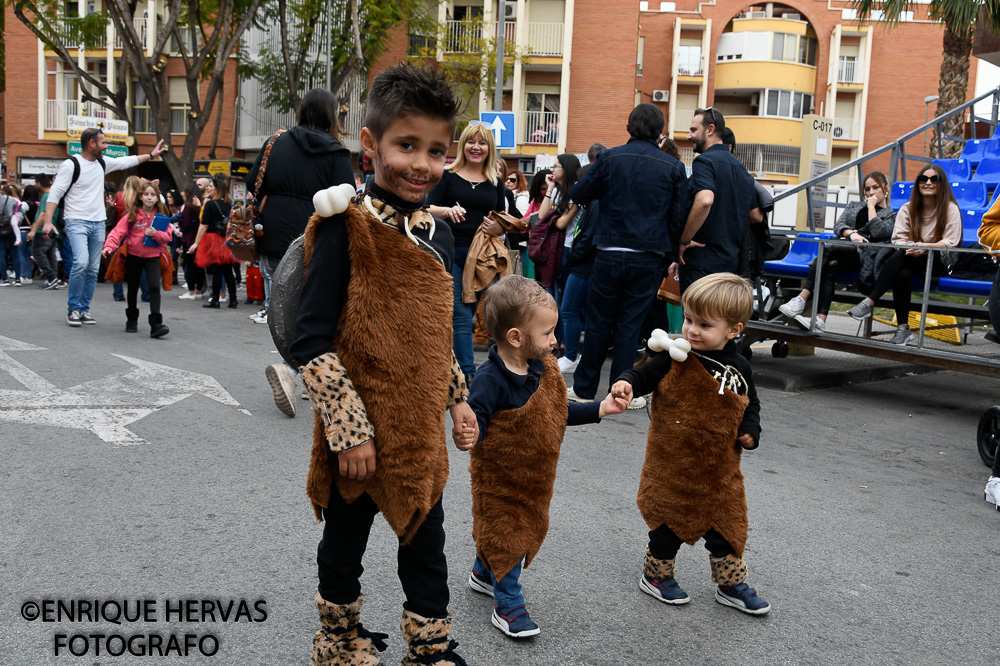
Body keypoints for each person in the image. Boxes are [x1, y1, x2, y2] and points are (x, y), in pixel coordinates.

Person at [290, 62, 473, 665]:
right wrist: (348, 430)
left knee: (427, 541)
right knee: (345, 540)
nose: (422, 164)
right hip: (358, 432)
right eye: (407, 145)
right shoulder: (345, 228)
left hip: (418, 433)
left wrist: (458, 399)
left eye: (437, 150)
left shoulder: (439, 236)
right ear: (370, 144)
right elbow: (308, 338)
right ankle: (337, 639)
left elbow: (435, 335)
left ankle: (430, 649)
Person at [462, 275, 625, 639]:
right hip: (500, 480)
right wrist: (470, 432)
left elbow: (558, 410)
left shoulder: (543, 367)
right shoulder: (490, 378)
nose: (556, 341)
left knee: (524, 528)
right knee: (508, 534)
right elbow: (478, 423)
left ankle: (482, 572)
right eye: (548, 333)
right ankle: (508, 604)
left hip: (536, 478)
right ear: (516, 337)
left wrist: (601, 408)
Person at [611, 273, 769, 616]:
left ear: (734, 330)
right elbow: (643, 374)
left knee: (727, 527)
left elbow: (751, 403)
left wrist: (751, 430)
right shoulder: (675, 357)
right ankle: (657, 574)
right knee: (670, 524)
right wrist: (626, 382)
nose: (691, 330)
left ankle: (730, 583)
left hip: (720, 468)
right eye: (688, 319)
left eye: (704, 324)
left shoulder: (740, 367)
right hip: (676, 465)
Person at [567, 103, 689, 410]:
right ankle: (622, 391)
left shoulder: (609, 157)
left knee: (597, 324)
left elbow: (579, 192)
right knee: (629, 327)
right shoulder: (673, 167)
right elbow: (677, 217)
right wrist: (670, 254)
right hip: (648, 255)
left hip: (608, 252)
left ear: (629, 128)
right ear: (660, 132)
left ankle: (583, 389)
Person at [36, 128, 166, 326]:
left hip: (98, 222)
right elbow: (55, 194)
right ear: (91, 143)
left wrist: (151, 155)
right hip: (76, 221)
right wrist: (47, 221)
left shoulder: (102, 163)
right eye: (103, 143)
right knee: (81, 262)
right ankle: (73, 309)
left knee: (93, 268)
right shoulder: (71, 165)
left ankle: (84, 310)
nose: (106, 146)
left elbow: (126, 161)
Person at [846, 164, 961, 345]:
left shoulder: (950, 208)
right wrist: (912, 247)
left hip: (939, 260)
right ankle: (903, 329)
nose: (928, 183)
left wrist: (924, 247)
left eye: (933, 179)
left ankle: (869, 301)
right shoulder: (908, 208)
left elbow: (951, 242)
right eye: (923, 179)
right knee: (903, 273)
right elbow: (897, 239)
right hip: (910, 257)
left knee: (902, 258)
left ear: (941, 184)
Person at [427, 122, 506, 383]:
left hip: (482, 258)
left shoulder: (495, 181)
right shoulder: (447, 175)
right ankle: (466, 374)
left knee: (473, 316)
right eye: (471, 141)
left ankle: (453, 366)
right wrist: (447, 211)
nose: (476, 147)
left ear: (488, 148)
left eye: (482, 142)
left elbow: (506, 217)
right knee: (461, 316)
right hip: (451, 252)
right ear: (463, 145)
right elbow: (426, 207)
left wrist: (498, 227)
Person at [779, 172, 897, 331]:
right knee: (831, 264)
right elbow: (838, 225)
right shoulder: (854, 206)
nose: (871, 193)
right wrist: (852, 233)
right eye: (867, 189)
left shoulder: (892, 215)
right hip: (846, 252)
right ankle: (820, 320)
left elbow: (878, 232)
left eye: (875, 188)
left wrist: (871, 207)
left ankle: (802, 297)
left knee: (828, 248)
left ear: (886, 187)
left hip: (866, 256)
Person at [671, 108, 762, 292]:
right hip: (730, 265)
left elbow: (705, 200)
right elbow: (756, 216)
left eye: (694, 130)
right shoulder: (741, 169)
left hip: (701, 263)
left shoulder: (704, 162)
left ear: (710, 130)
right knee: (717, 319)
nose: (689, 136)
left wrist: (684, 241)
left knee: (695, 319)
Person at [102, 180, 172, 337]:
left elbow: (167, 236)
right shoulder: (132, 215)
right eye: (146, 194)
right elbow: (117, 232)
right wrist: (108, 247)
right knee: (133, 288)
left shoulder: (160, 217)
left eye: (152, 195)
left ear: (157, 198)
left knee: (154, 287)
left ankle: (156, 324)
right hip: (133, 256)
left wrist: (156, 234)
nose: (149, 198)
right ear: (140, 196)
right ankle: (131, 319)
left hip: (153, 257)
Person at [188, 173, 238, 309]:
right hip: (225, 240)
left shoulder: (210, 204)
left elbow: (203, 225)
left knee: (217, 271)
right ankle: (233, 300)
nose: (208, 188)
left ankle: (215, 299)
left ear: (217, 189)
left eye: (211, 186)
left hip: (212, 239)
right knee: (228, 271)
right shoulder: (229, 204)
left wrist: (196, 243)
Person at [27, 175, 61, 290]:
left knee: (37, 252)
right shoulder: (54, 195)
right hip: (53, 229)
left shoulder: (47, 196)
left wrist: (34, 230)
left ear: (39, 183)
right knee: (51, 254)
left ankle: (51, 277)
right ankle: (54, 278)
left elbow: (43, 214)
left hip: (43, 230)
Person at [177, 182, 205, 300]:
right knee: (199, 266)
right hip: (199, 237)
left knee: (190, 265)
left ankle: (191, 291)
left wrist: (180, 221)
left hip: (189, 238)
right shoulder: (200, 205)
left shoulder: (188, 206)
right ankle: (198, 290)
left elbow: (186, 224)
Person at [0, 188, 27, 286]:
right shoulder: (13, 200)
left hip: (1, 227)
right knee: (15, 253)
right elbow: (22, 211)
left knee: (1, 253)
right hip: (11, 227)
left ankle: (5, 279)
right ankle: (18, 280)